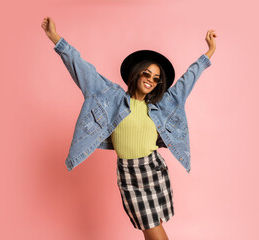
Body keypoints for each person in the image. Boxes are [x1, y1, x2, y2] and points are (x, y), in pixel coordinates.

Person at [41, 16, 217, 240]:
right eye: (147, 74)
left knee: (154, 228)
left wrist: (209, 52)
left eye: (156, 79)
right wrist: (55, 38)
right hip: (128, 173)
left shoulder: (162, 104)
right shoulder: (111, 96)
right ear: (137, 73)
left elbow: (188, 79)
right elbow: (81, 67)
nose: (151, 80)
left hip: (153, 168)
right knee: (149, 228)